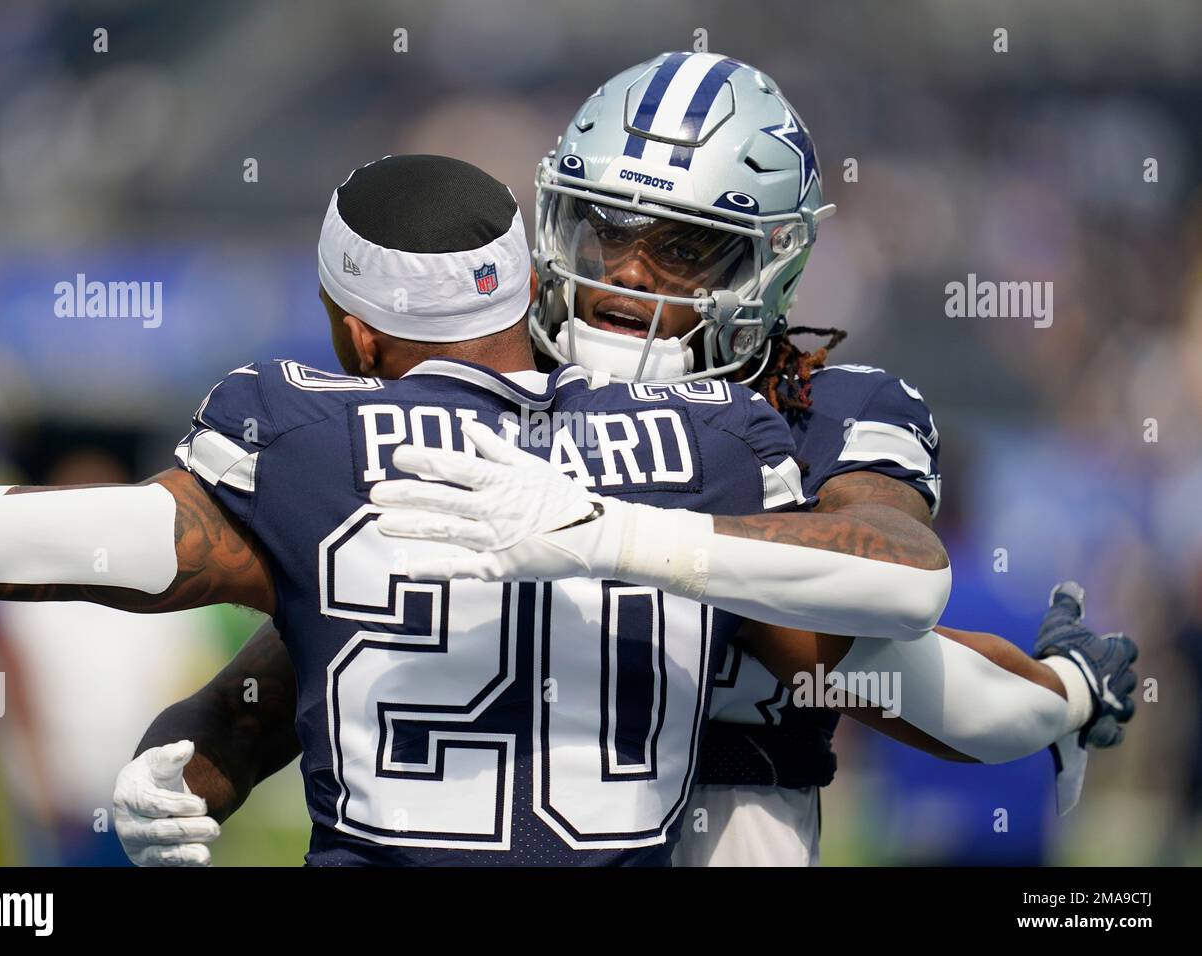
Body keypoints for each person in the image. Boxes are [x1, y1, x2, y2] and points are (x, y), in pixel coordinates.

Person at [115, 54, 1138, 868]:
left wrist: (630, 543)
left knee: (794, 636)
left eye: (682, 247)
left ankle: (1068, 693)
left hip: (735, 820)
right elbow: (361, 598)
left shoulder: (821, 400)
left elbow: (885, 600)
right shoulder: (493, 377)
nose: (625, 279)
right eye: (603, 232)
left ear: (769, 261)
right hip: (497, 828)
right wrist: (213, 732)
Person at [0, 154, 959, 865]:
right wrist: (1066, 689)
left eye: (683, 246)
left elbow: (32, 541)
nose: (635, 275)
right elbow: (916, 650)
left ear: (357, 336)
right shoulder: (722, 439)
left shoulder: (303, 439)